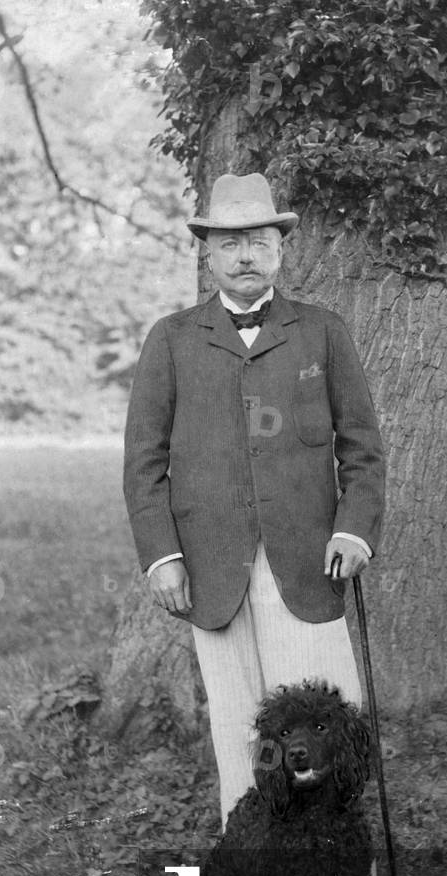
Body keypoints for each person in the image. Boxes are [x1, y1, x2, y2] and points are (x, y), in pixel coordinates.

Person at [123, 173, 385, 825]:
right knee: (241, 731)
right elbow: (143, 462)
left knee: (327, 729)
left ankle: (337, 872)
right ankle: (248, 868)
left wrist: (354, 530)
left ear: (280, 249)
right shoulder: (171, 339)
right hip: (211, 567)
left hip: (308, 563)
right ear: (208, 255)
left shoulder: (322, 332)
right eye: (230, 243)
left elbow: (362, 447)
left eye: (259, 242)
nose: (246, 256)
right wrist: (162, 556)